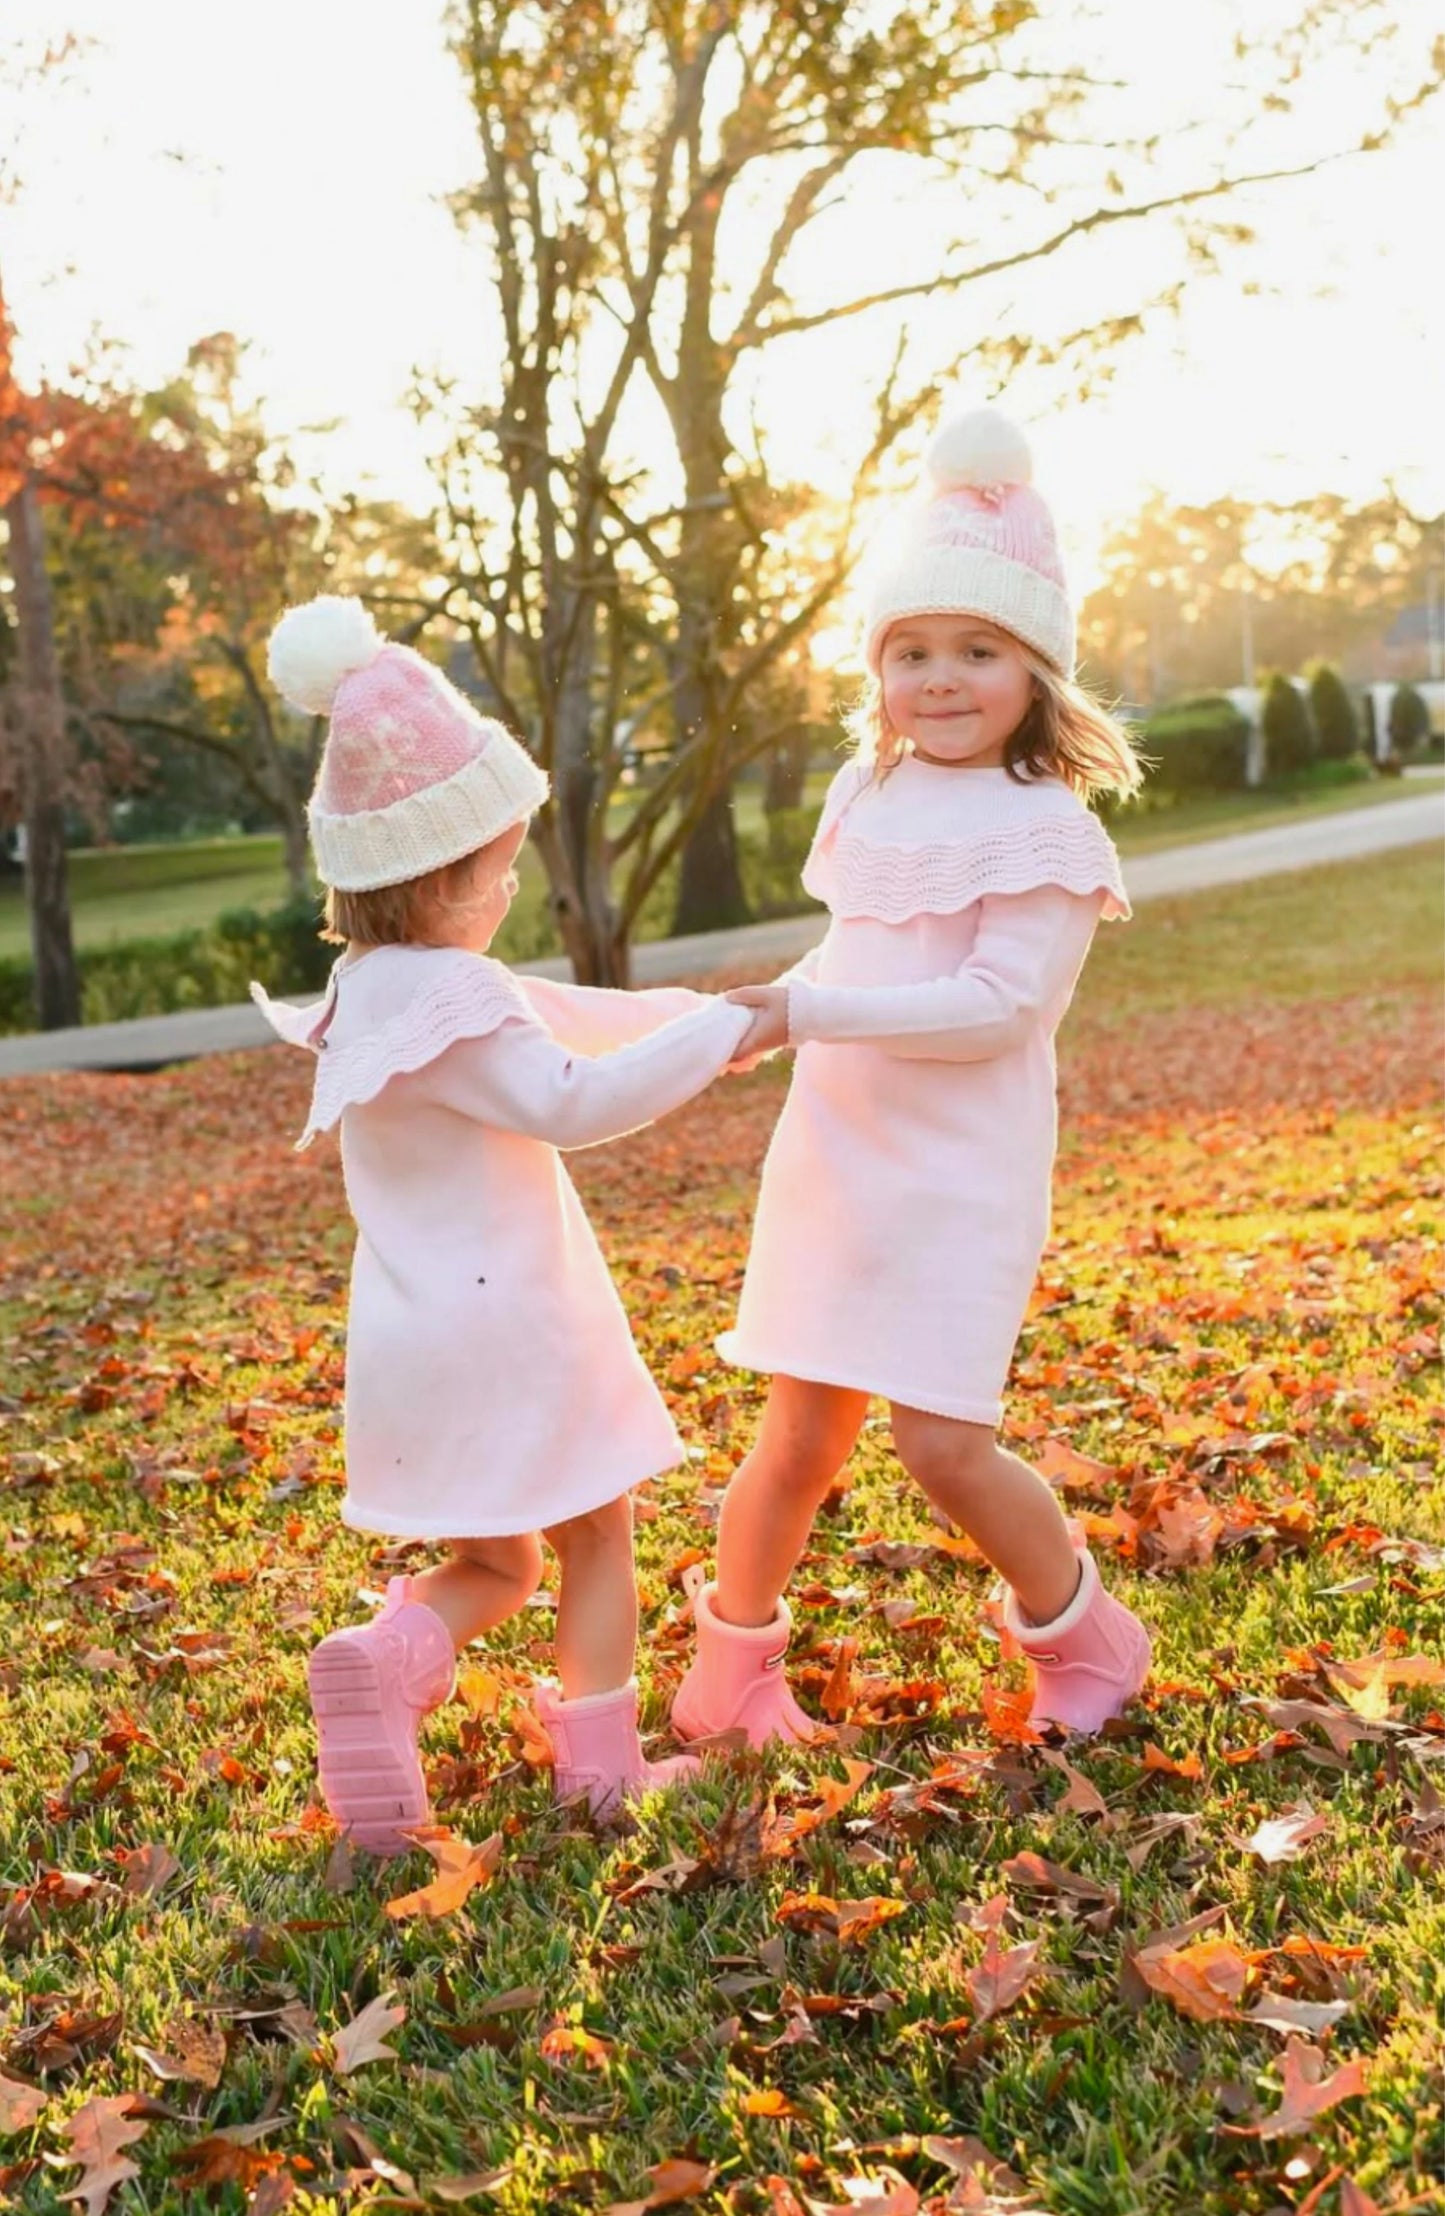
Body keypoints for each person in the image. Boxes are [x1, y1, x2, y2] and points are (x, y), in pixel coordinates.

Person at [672, 406, 1152, 1748]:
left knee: (939, 1447)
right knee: (798, 1438)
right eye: (911, 652)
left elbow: (995, 1011)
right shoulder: (863, 796)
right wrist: (770, 1013)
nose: (940, 679)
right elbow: (858, 940)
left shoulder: (1046, 830)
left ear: (1035, 669)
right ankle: (731, 1679)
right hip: (836, 1157)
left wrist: (808, 1009)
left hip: (956, 1176)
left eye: (977, 650)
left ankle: (1084, 1637)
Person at [252, 595, 754, 1847]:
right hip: (518, 1324)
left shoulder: (368, 987)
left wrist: (706, 1016)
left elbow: (566, 1010)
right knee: (595, 1532)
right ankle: (601, 1775)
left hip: (417, 1335)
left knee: (498, 1561)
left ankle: (383, 1655)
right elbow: (570, 1095)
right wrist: (731, 1033)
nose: (512, 881)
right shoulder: (460, 990)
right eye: (501, 863)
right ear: (444, 871)